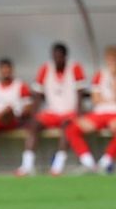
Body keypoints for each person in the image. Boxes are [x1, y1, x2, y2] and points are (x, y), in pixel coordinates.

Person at [23, 42, 88, 176]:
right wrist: (33, 116)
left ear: (65, 57)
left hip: (70, 112)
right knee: (34, 126)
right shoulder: (45, 69)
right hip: (52, 111)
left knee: (67, 128)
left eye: (59, 57)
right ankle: (27, 165)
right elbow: (38, 94)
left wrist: (78, 114)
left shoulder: (75, 67)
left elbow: (80, 92)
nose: (57, 60)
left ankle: (57, 166)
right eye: (54, 57)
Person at [66, 45, 116, 174]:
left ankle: (106, 162)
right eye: (109, 59)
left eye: (114, 59)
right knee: (72, 128)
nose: (111, 63)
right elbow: (95, 99)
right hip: (100, 113)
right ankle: (88, 162)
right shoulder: (100, 75)